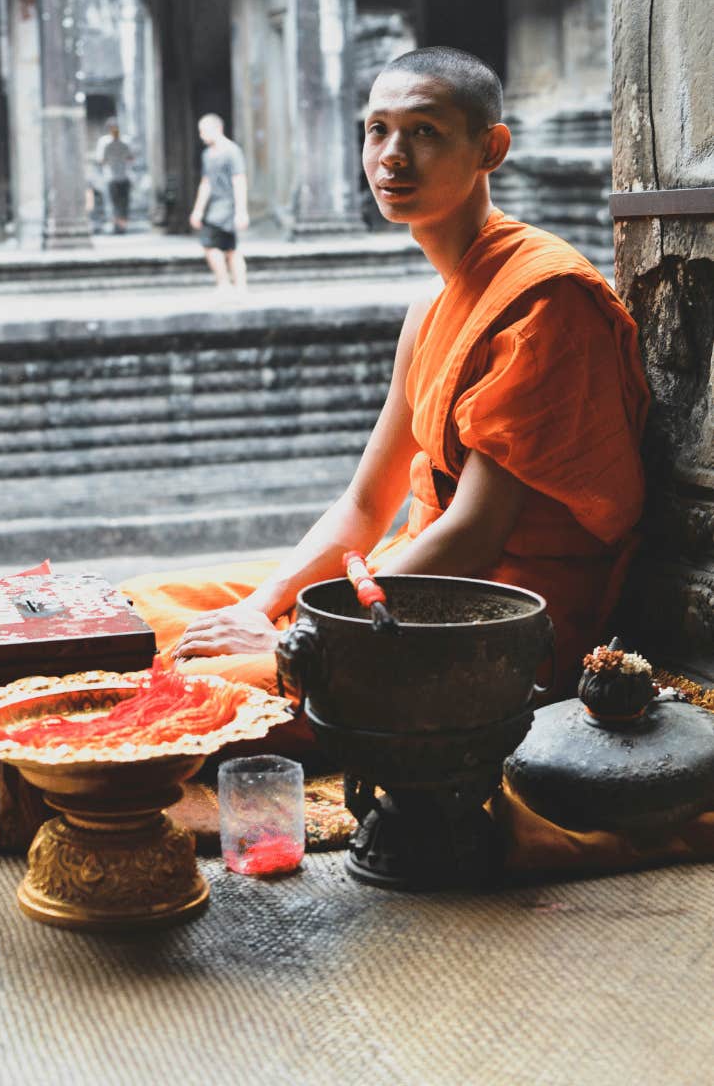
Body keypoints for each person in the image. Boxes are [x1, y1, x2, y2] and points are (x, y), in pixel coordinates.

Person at [122, 46, 648, 713]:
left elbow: (473, 535)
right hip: (405, 577)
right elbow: (367, 506)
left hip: (496, 623)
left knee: (188, 692)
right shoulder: (430, 305)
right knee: (150, 609)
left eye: (424, 132)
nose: (392, 156)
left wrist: (303, 630)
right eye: (378, 130)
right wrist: (259, 611)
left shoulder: (542, 299)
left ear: (491, 148)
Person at [189, 113, 249, 293]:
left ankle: (228, 284)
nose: (201, 136)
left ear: (218, 129)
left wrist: (241, 210)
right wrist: (198, 210)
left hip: (227, 206)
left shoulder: (232, 151)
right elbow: (206, 182)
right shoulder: (207, 154)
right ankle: (234, 285)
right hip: (215, 206)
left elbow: (239, 180)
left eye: (204, 131)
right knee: (229, 247)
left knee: (210, 243)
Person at [95, 118, 134, 234]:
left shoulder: (125, 141)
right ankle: (117, 225)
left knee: (124, 202)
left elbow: (131, 157)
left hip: (124, 176)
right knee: (114, 202)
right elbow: (101, 160)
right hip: (112, 177)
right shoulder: (104, 142)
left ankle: (122, 225)